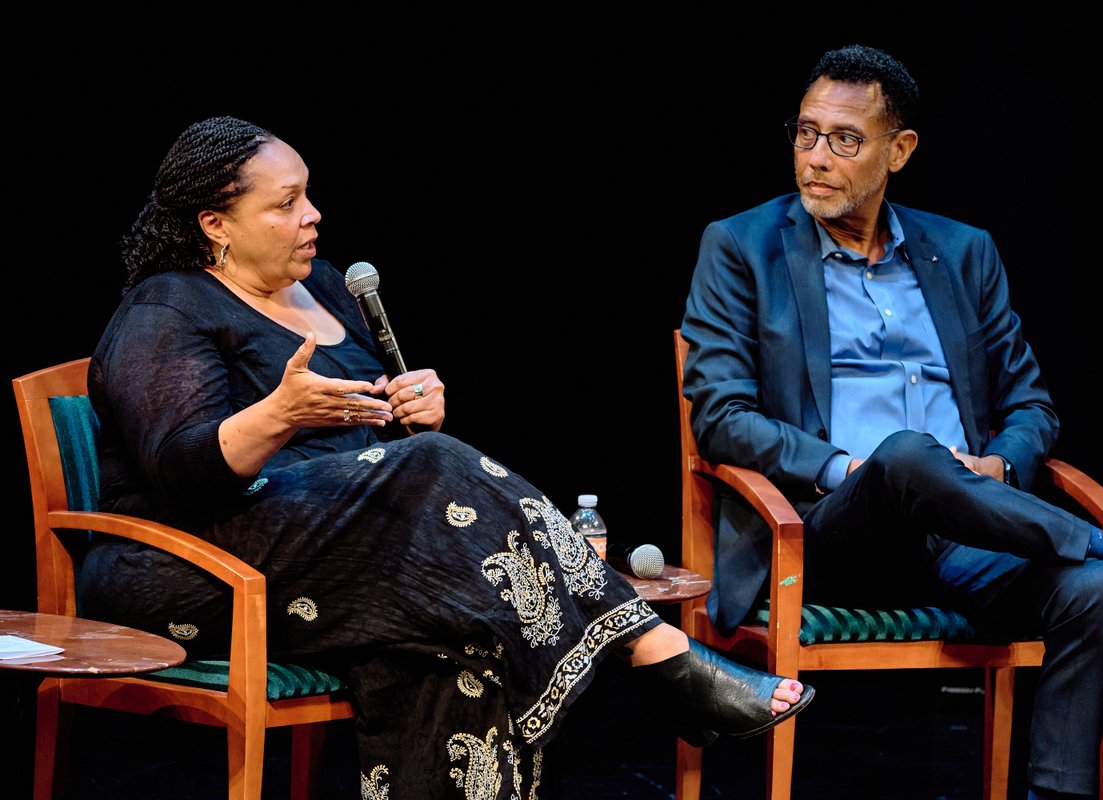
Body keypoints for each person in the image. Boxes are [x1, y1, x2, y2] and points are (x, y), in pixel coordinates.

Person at [79, 115, 815, 800]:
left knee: (452, 637)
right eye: (286, 204)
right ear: (216, 225)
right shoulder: (168, 307)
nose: (313, 216)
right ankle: (656, 654)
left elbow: (369, 450)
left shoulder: (325, 288)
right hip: (194, 566)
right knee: (430, 466)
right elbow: (182, 471)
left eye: (309, 196)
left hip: (332, 562)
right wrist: (278, 415)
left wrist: (410, 410)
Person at [680, 44, 1103, 800]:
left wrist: (1003, 468)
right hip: (831, 529)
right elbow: (720, 417)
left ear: (900, 150)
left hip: (970, 530)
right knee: (904, 455)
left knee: (1088, 594)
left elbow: (1030, 406)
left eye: (845, 139)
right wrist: (845, 470)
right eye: (805, 132)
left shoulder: (962, 252)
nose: (817, 157)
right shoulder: (741, 247)